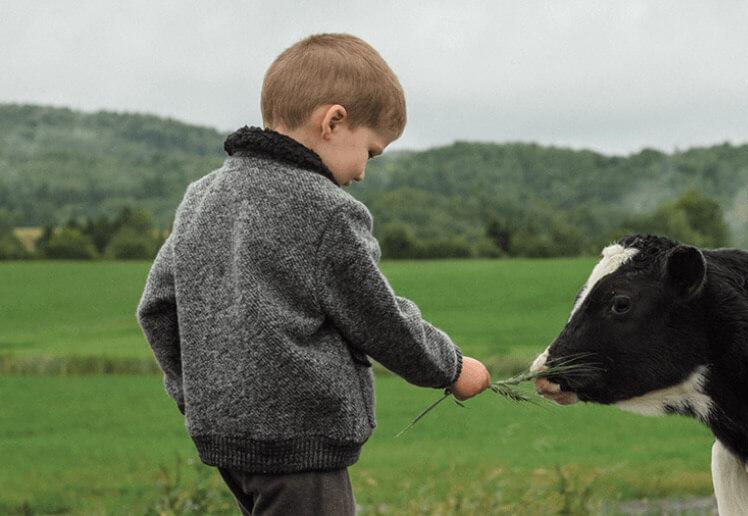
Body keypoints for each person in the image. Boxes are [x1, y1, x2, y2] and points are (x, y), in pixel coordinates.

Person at [136, 33, 491, 515]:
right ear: (334, 121)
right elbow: (377, 316)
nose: (364, 172)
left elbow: (157, 309)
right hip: (300, 442)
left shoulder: (202, 196)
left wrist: (198, 397)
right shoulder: (325, 209)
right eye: (371, 150)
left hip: (225, 438)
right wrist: (449, 366)